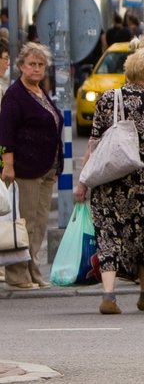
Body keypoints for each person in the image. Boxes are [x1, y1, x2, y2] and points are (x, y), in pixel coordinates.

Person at [75, 50, 144, 315]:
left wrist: (83, 182)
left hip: (108, 179)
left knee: (108, 233)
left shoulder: (106, 99)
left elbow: (93, 143)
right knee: (143, 234)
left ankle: (108, 295)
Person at [0, 43, 63, 289]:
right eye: (32, 64)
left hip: (46, 167)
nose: (36, 69)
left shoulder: (39, 91)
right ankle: (17, 274)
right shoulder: (15, 94)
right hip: (25, 169)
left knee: (38, 224)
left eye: (40, 65)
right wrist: (8, 165)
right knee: (22, 223)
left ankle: (33, 270)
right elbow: (5, 132)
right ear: (21, 67)